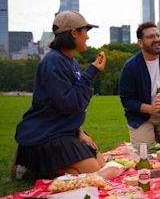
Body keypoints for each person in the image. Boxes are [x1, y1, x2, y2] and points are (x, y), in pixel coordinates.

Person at [12, 10, 107, 179]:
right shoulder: (53, 61)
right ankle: (30, 168)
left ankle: (46, 168)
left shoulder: (72, 62)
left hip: (64, 130)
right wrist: (91, 71)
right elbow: (68, 103)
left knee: (100, 164)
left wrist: (80, 132)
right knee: (93, 171)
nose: (88, 37)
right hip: (45, 134)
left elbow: (75, 107)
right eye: (86, 32)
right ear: (74, 33)